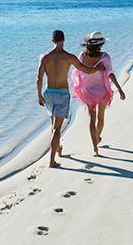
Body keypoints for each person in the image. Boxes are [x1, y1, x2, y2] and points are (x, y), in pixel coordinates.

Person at [37, 30, 104, 167]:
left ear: (53, 40)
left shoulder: (45, 57)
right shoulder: (69, 57)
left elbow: (39, 78)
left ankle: (58, 149)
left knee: (53, 125)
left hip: (49, 93)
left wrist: (39, 95)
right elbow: (86, 70)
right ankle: (51, 161)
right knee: (57, 128)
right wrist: (99, 68)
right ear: (64, 40)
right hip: (62, 93)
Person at [71, 32, 125, 156]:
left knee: (92, 119)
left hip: (87, 92)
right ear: (101, 44)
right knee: (101, 117)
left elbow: (78, 71)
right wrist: (119, 89)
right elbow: (110, 73)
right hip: (102, 92)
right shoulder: (105, 57)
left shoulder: (82, 56)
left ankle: (95, 148)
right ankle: (97, 137)